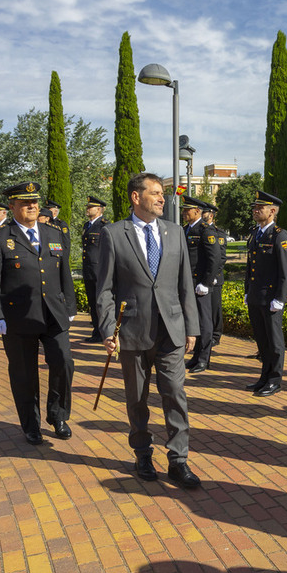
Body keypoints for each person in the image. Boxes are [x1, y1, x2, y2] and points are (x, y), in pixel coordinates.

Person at [96, 172, 202, 488]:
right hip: (132, 332)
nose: (161, 198)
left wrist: (192, 328)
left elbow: (185, 284)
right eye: (154, 193)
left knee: (175, 396)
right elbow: (105, 290)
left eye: (162, 193)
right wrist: (106, 330)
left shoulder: (174, 233)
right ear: (135, 197)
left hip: (171, 332)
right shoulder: (114, 234)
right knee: (137, 399)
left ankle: (178, 461)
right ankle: (142, 453)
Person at [0, 182, 76, 446]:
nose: (32, 206)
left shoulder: (53, 232)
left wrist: (70, 305)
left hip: (54, 313)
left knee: (64, 362)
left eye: (34, 201)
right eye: (25, 203)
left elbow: (64, 271)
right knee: (24, 373)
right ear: (12, 206)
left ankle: (58, 415)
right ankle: (30, 424)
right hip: (18, 316)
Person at [244, 190, 287, 397]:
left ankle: (274, 379)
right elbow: (250, 267)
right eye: (255, 207)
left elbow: (286, 271)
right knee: (262, 340)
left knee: (274, 342)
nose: (255, 211)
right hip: (256, 296)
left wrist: (280, 298)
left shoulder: (280, 235)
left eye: (260, 208)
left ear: (272, 211)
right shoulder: (255, 234)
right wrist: (248, 291)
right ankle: (264, 376)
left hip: (271, 299)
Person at [182, 196, 221, 374]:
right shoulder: (186, 229)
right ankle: (196, 356)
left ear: (197, 211)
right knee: (194, 322)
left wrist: (206, 283)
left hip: (201, 285)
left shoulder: (205, 230)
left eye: (187, 210)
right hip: (189, 283)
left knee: (205, 323)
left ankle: (204, 359)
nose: (184, 212)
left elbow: (215, 259)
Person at [81, 196, 109, 343]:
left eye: (90, 207)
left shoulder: (104, 225)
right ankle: (96, 332)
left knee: (101, 302)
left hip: (99, 269)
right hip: (89, 269)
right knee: (92, 302)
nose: (88, 209)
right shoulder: (87, 225)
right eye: (87, 207)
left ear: (99, 209)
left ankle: (104, 332)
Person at [201, 203, 227, 347]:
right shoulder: (200, 230)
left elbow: (221, 257)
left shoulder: (218, 233)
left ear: (211, 215)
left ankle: (215, 336)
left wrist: (214, 276)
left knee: (214, 307)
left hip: (215, 278)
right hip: (202, 276)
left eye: (204, 213)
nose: (201, 215)